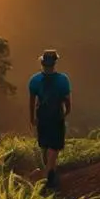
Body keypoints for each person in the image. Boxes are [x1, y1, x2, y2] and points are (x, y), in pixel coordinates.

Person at [28, 49, 72, 190]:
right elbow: (67, 100)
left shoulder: (34, 80)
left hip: (42, 116)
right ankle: (48, 174)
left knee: (44, 146)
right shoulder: (63, 80)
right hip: (56, 116)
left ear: (42, 62)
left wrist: (32, 118)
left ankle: (49, 171)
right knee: (54, 146)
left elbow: (31, 102)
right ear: (55, 62)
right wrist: (67, 111)